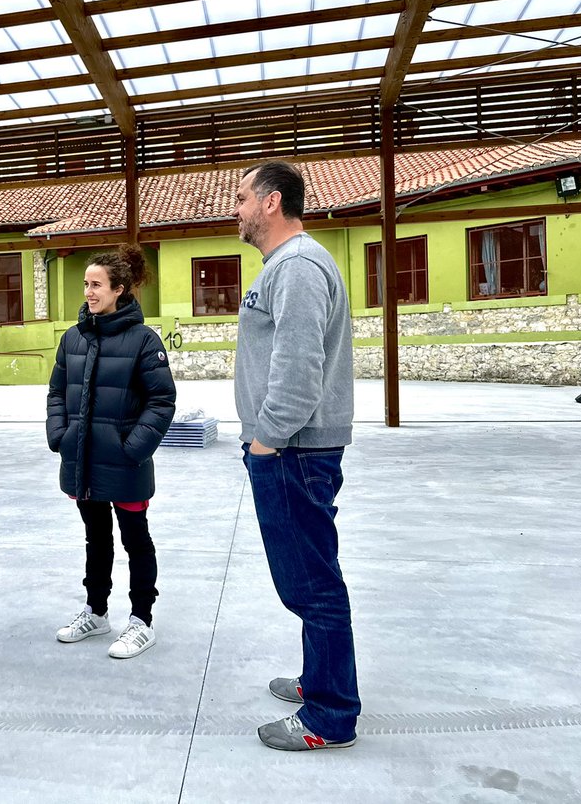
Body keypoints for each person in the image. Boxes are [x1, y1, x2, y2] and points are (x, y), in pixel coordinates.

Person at [233, 160, 360, 751]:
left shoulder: (299, 266)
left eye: (241, 197)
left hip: (293, 450)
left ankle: (329, 718)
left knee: (313, 584)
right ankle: (319, 683)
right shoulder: (286, 266)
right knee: (309, 578)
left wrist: (268, 437)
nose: (234, 208)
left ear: (271, 202)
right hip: (290, 448)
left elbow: (299, 364)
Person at [47, 244, 176, 659]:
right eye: (86, 284)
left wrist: (132, 448)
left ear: (119, 289)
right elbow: (56, 393)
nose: (88, 291)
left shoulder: (143, 340)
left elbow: (161, 400)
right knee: (95, 537)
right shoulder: (73, 338)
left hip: (124, 463)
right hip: (82, 459)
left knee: (136, 540)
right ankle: (96, 612)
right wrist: (60, 435)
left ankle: (141, 620)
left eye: (96, 285)